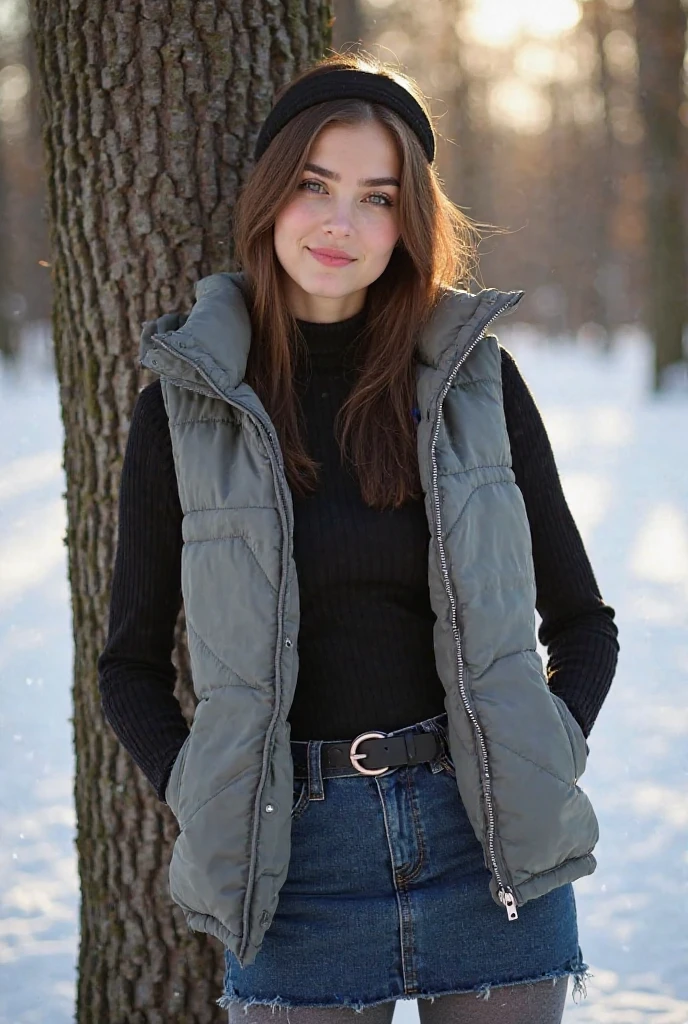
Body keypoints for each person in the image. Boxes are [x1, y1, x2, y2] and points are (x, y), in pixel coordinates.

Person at [98, 52, 619, 1023]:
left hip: (490, 846)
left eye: (377, 197)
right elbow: (128, 663)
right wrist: (213, 795)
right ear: (267, 194)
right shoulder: (188, 407)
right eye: (314, 185)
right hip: (291, 865)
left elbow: (583, 620)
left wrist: (538, 754)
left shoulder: (475, 383)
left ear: (408, 224)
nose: (341, 221)